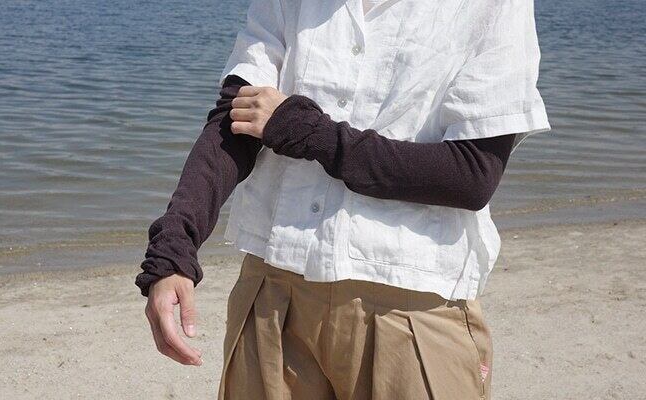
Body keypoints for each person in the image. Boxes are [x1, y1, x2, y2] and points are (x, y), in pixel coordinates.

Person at [136, 0, 551, 399]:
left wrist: (311, 133)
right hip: (274, 289)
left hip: (413, 305)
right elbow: (236, 121)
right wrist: (174, 247)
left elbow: (470, 175)